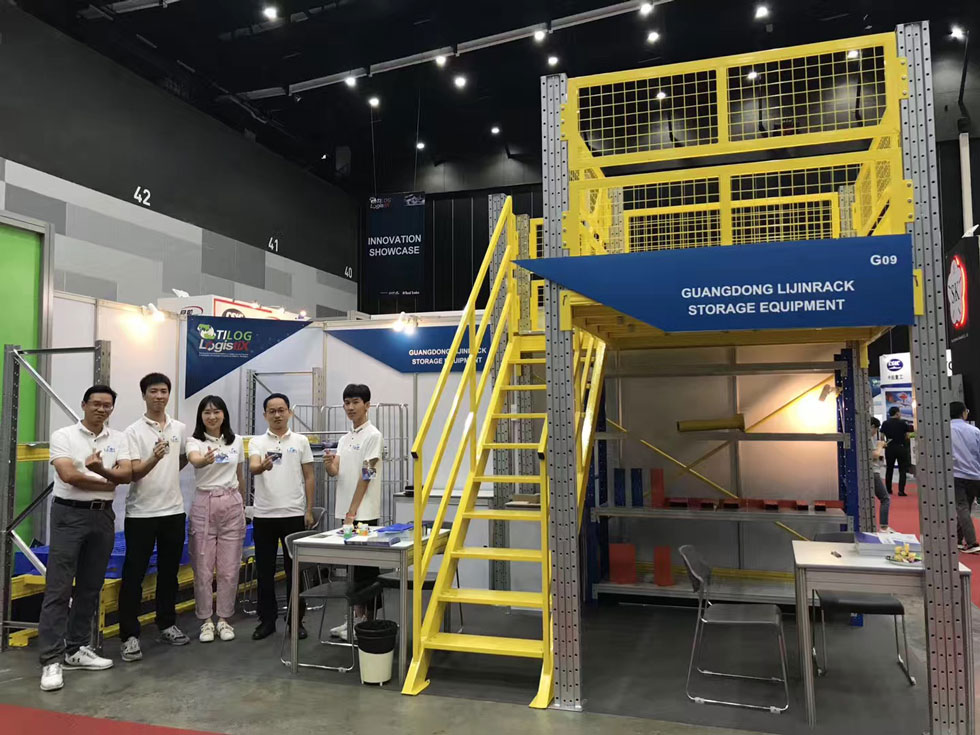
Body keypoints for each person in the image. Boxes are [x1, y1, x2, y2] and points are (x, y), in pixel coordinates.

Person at [38, 385, 133, 692]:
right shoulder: (64, 436)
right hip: (69, 515)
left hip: (103, 517)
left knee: (91, 586)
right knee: (59, 587)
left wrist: (101, 472)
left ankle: (76, 648)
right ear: (84, 405)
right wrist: (107, 479)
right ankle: (51, 659)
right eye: (96, 404)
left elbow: (126, 474)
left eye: (107, 405)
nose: (101, 409)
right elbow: (68, 476)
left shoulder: (119, 438)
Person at [119, 373, 190, 662]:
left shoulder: (179, 428)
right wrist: (155, 459)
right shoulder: (132, 432)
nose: (159, 396)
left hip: (173, 511)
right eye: (153, 391)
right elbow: (133, 473)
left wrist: (167, 470)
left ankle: (166, 624)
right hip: (141, 514)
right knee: (134, 575)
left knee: (169, 573)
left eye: (163, 391)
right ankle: (129, 635)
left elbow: (183, 457)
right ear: (144, 395)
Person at [248, 393, 315, 641]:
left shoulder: (301, 441)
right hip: (264, 515)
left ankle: (296, 621)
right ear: (265, 415)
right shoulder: (257, 442)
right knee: (264, 571)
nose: (277, 415)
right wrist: (261, 467)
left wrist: (309, 509)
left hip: (293, 514)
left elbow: (309, 476)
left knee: (294, 571)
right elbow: (253, 466)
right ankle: (267, 621)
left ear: (289, 412)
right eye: (272, 411)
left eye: (281, 410)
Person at [324, 384, 383, 641]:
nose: (350, 407)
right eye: (347, 402)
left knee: (366, 570)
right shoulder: (344, 439)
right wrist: (329, 465)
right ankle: (355, 618)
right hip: (347, 513)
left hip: (363, 513)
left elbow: (367, 474)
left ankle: (367, 622)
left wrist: (353, 511)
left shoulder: (373, 435)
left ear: (367, 405)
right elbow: (335, 472)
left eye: (355, 402)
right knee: (352, 569)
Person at [185, 395, 246, 643]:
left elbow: (240, 474)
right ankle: (206, 621)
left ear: (224, 415)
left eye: (216, 412)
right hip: (205, 504)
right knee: (203, 568)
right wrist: (205, 459)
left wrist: (243, 505)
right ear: (200, 416)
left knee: (229, 568)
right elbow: (194, 460)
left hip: (232, 503)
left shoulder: (236, 441)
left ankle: (224, 619)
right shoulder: (194, 441)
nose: (212, 417)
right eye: (207, 412)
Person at [950, 401, 980, 554]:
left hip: (955, 474)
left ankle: (971, 542)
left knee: (962, 507)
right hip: (974, 474)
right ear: (963, 413)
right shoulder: (974, 431)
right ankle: (958, 539)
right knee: (966, 507)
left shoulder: (945, 431)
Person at [880, 406, 914, 496]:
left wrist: (885, 443)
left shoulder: (885, 423)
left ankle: (888, 490)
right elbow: (907, 435)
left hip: (890, 447)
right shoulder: (903, 423)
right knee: (902, 470)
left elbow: (882, 436)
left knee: (889, 469)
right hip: (901, 447)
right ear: (897, 413)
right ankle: (901, 490)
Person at [871, 417, 890, 531]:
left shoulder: (870, 438)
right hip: (873, 472)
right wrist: (880, 446)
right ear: (872, 427)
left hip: (874, 470)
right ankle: (884, 526)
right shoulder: (868, 438)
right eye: (876, 429)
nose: (876, 432)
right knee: (885, 498)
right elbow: (874, 455)